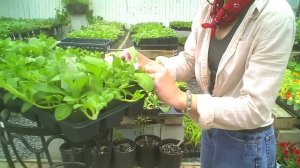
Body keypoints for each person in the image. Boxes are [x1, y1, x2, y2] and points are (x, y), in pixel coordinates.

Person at [126, 0, 295, 167]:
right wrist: (151, 65)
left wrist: (183, 98)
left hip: (246, 143)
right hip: (212, 127)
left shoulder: (274, 15)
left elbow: (255, 109)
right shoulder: (212, 7)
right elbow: (190, 60)